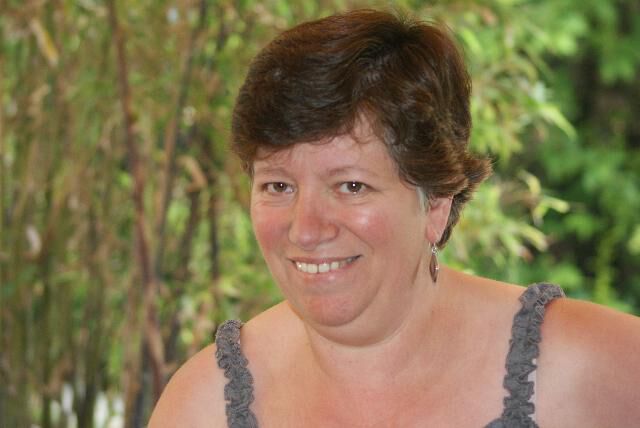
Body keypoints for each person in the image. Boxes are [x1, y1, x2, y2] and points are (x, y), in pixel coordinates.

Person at [149, 9, 640, 427]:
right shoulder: (202, 408)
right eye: (278, 186)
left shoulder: (582, 370)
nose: (306, 229)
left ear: (436, 203)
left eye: (351, 186)